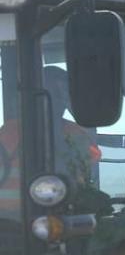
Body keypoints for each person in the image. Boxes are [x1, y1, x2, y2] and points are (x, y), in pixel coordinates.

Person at [0, 66, 103, 217]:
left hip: (11, 223)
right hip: (39, 220)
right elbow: (91, 164)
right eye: (61, 94)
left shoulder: (7, 131)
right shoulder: (76, 133)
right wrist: (79, 112)